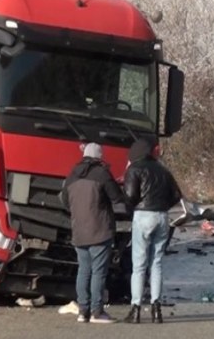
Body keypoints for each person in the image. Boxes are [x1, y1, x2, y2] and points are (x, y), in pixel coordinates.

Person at [61, 142, 128, 324]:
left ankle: (83, 311)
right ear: (99, 156)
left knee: (83, 270)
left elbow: (65, 201)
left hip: (79, 231)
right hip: (100, 230)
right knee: (98, 271)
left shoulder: (72, 176)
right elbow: (116, 197)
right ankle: (97, 311)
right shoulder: (102, 173)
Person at [122, 136, 182, 324]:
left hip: (143, 216)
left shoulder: (134, 169)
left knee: (139, 265)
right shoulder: (163, 170)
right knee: (156, 263)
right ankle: (157, 309)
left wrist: (131, 206)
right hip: (162, 216)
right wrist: (162, 205)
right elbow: (176, 195)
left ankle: (136, 308)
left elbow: (131, 195)